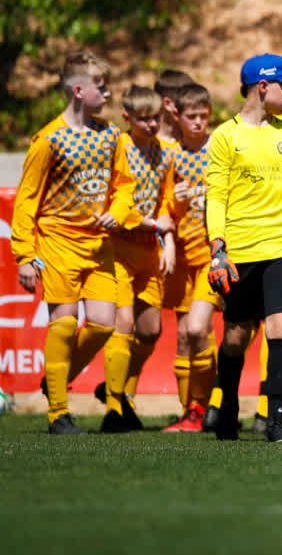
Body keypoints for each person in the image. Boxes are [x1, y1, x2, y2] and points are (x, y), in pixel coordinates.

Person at [11, 51, 135, 434]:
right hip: (57, 242)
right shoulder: (48, 140)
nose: (109, 93)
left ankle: (55, 380)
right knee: (63, 325)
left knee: (101, 325)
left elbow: (124, 185)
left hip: (99, 247)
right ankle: (58, 413)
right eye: (102, 87)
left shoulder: (110, 134)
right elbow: (27, 198)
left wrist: (118, 209)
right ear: (79, 90)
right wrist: (24, 255)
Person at [205, 54, 282, 442]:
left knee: (280, 327)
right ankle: (229, 403)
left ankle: (275, 419)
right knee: (235, 336)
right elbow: (215, 196)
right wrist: (218, 246)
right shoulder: (225, 136)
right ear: (263, 87)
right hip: (240, 248)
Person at [101, 86, 177, 432]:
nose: (151, 125)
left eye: (155, 118)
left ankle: (121, 390)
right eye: (143, 119)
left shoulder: (164, 151)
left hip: (149, 249)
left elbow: (166, 198)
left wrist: (167, 238)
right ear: (127, 118)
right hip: (118, 246)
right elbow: (117, 197)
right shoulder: (118, 148)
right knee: (124, 324)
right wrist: (148, 222)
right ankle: (114, 409)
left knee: (151, 330)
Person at [160, 83, 221, 433]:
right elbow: (166, 209)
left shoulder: (218, 148)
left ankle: (207, 405)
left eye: (203, 115)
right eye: (191, 116)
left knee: (200, 329)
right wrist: (179, 204)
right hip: (184, 255)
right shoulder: (172, 155)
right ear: (178, 117)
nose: (198, 122)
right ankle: (192, 411)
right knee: (186, 335)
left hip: (213, 256)